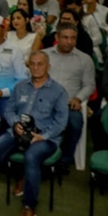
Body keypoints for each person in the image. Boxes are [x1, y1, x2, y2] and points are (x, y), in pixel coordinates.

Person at [0, 50, 69, 216]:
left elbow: (61, 122)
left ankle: (29, 206)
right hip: (18, 131)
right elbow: (9, 110)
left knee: (32, 156)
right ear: (28, 66)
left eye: (40, 64)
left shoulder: (58, 91)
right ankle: (21, 176)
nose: (36, 67)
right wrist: (15, 123)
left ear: (48, 67)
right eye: (33, 64)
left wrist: (43, 136)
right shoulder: (21, 86)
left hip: (45, 136)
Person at [43, 23, 95, 169]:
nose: (69, 41)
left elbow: (89, 85)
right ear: (56, 37)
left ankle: (64, 159)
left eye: (73, 38)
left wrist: (78, 98)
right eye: (65, 37)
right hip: (44, 101)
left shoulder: (84, 59)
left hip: (69, 103)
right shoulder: (45, 55)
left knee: (75, 123)